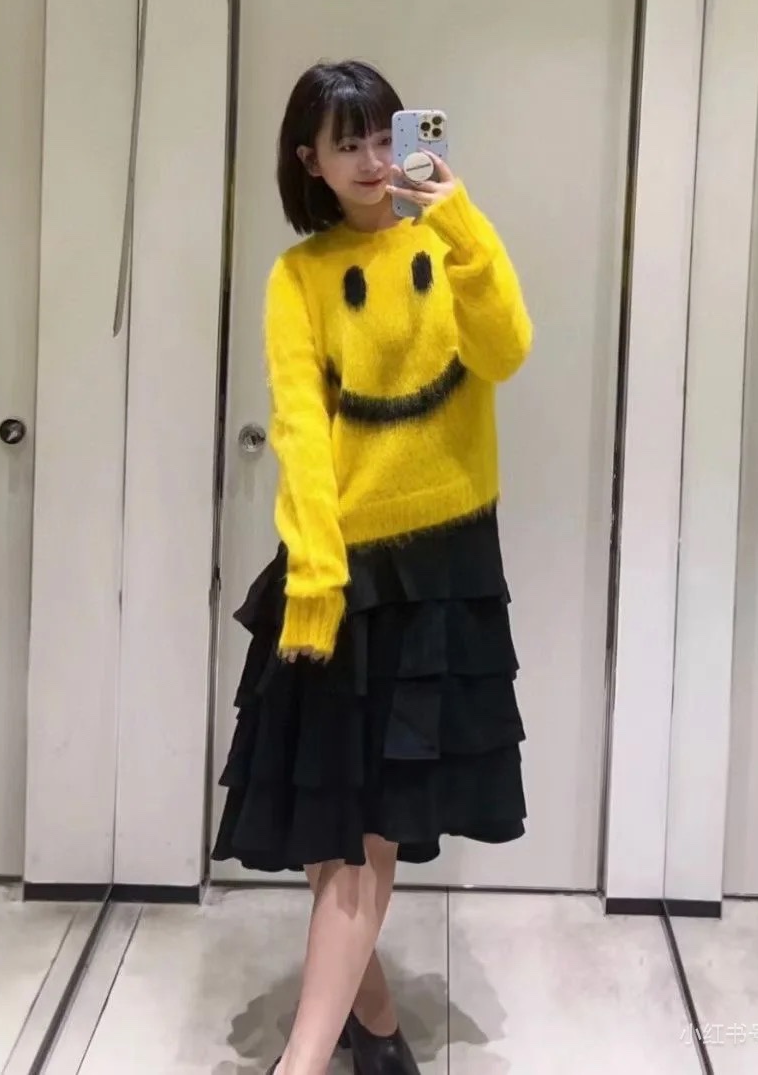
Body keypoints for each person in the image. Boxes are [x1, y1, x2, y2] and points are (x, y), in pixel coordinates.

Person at [213, 60, 532, 1075]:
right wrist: (316, 574)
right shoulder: (299, 276)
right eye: (345, 142)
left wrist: (461, 219)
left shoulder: (448, 241)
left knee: (370, 829)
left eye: (381, 136)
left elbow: (506, 349)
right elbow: (301, 430)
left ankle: (304, 1060)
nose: (368, 159)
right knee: (332, 826)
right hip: (338, 568)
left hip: (443, 568)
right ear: (309, 159)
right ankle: (376, 1024)